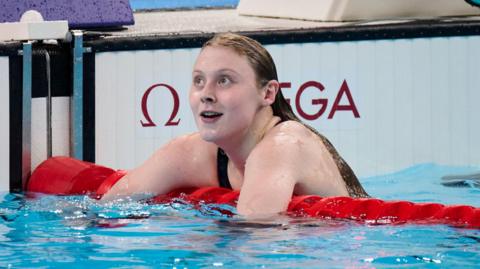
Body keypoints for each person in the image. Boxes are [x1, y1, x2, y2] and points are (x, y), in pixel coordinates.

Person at [102, 33, 369, 216]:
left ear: (267, 93)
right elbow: (104, 210)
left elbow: (255, 245)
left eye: (224, 81)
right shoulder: (191, 153)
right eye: (198, 81)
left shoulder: (286, 144)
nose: (206, 93)